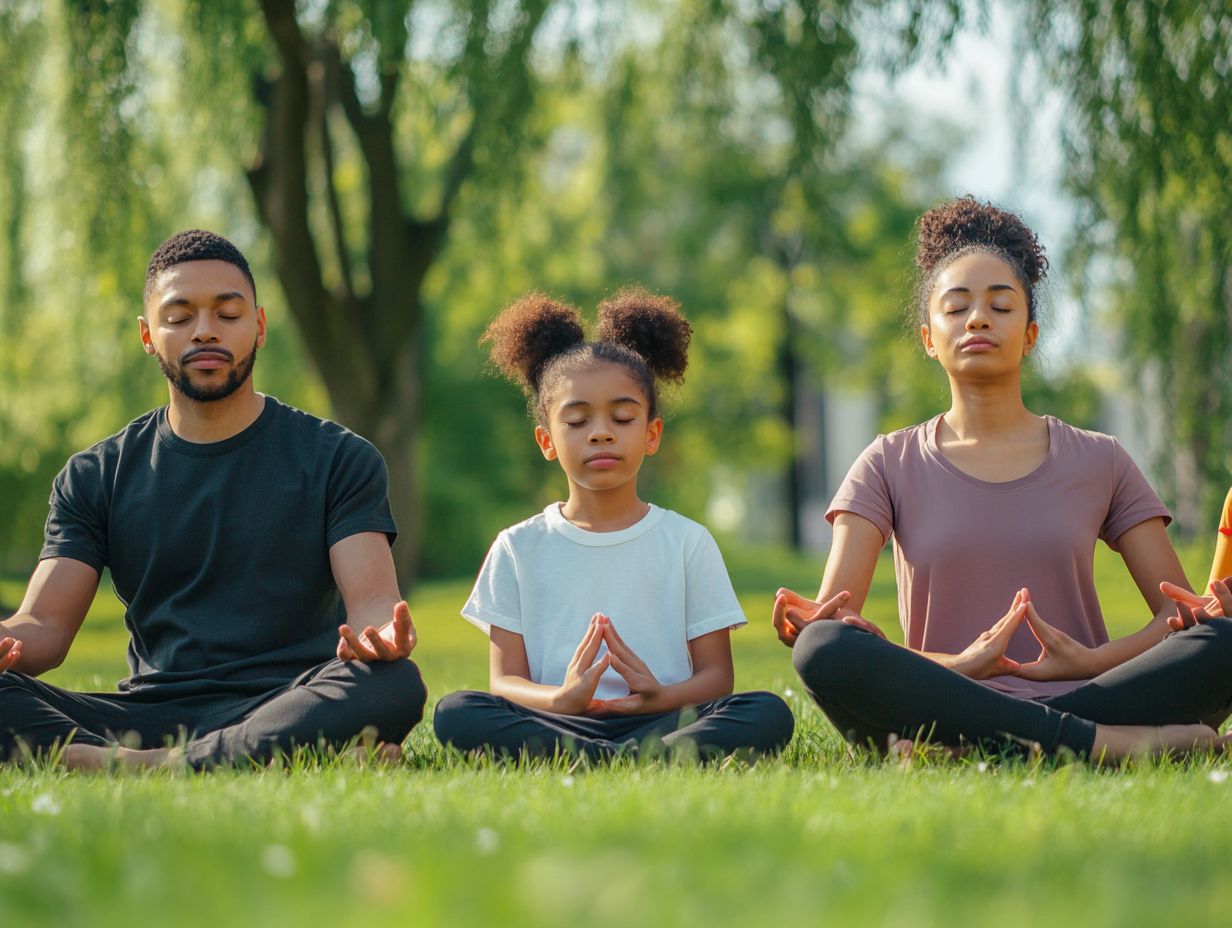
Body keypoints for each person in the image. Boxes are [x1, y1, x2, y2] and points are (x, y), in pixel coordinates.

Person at [773, 196, 1232, 762]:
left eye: (1000, 305)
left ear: (1031, 335)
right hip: (942, 697)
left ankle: (973, 750)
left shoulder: (1101, 458)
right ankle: (1103, 748)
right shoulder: (886, 462)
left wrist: (1088, 661)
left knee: (1225, 641)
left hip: (1086, 695)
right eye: (956, 307)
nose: (978, 319)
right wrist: (961, 667)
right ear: (928, 338)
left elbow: (1176, 612)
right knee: (824, 646)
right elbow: (836, 618)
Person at [0, 230, 426, 769]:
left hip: (290, 699)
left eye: (228, 314)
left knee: (392, 683)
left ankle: (131, 765)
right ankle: (289, 755)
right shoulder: (95, 475)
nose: (205, 331)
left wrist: (380, 634)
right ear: (148, 335)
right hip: (149, 714)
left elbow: (371, 601)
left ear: (260, 326)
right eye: (179, 317)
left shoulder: (338, 458)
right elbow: (44, 629)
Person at [433, 289, 793, 760]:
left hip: (660, 718)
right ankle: (631, 758)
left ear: (651, 434)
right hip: (556, 720)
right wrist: (561, 700)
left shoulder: (687, 543)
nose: (601, 432)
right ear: (547, 441)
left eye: (622, 417)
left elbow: (716, 679)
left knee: (766, 712)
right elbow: (505, 683)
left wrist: (656, 695)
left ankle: (607, 756)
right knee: (456, 711)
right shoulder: (517, 547)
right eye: (578, 421)